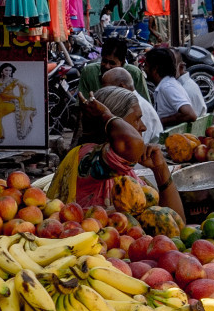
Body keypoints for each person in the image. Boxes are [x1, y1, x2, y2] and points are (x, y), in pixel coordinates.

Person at [51, 87, 184, 236]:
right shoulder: (87, 158)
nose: (143, 127)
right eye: (137, 119)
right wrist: (105, 114)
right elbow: (132, 144)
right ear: (114, 127)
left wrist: (160, 169)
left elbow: (178, 223)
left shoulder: (123, 170)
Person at [77, 35, 150, 102]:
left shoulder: (134, 73)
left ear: (122, 63)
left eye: (112, 63)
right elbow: (82, 104)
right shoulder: (89, 72)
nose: (107, 66)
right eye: (104, 61)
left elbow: (144, 103)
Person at [143, 47, 203, 124]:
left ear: (155, 69)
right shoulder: (167, 84)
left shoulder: (167, 87)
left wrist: (158, 122)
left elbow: (190, 114)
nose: (144, 69)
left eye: (146, 65)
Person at [103, 68, 161, 141]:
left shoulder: (136, 107)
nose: (105, 93)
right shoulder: (132, 104)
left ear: (121, 87)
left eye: (107, 89)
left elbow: (140, 142)